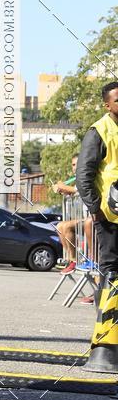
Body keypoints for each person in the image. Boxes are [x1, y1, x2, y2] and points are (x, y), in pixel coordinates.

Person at [76, 82, 118, 292]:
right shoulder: (98, 131)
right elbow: (83, 176)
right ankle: (107, 320)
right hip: (109, 214)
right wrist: (95, 209)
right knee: (111, 267)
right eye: (117, 100)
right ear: (107, 105)